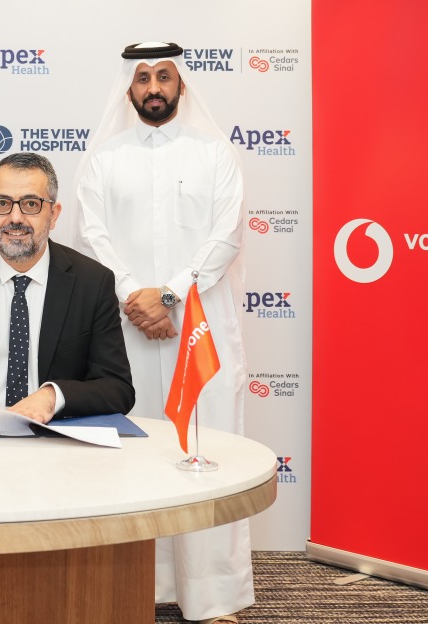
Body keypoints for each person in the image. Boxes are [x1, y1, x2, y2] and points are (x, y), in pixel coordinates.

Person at [0, 151, 134, 624]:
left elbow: (118, 387)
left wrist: (54, 395)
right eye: (2, 204)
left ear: (54, 213)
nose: (15, 218)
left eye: (30, 204)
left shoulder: (92, 282)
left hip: (56, 450)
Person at [74, 41, 252, 624]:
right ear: (129, 89)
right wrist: (133, 294)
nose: (154, 87)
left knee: (207, 450)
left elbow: (226, 234)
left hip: (199, 325)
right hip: (126, 325)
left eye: (164, 77)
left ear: (181, 85)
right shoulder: (104, 158)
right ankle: (138, 592)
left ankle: (214, 595)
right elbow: (90, 233)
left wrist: (169, 291)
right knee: (139, 451)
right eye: (143, 78)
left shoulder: (215, 153)